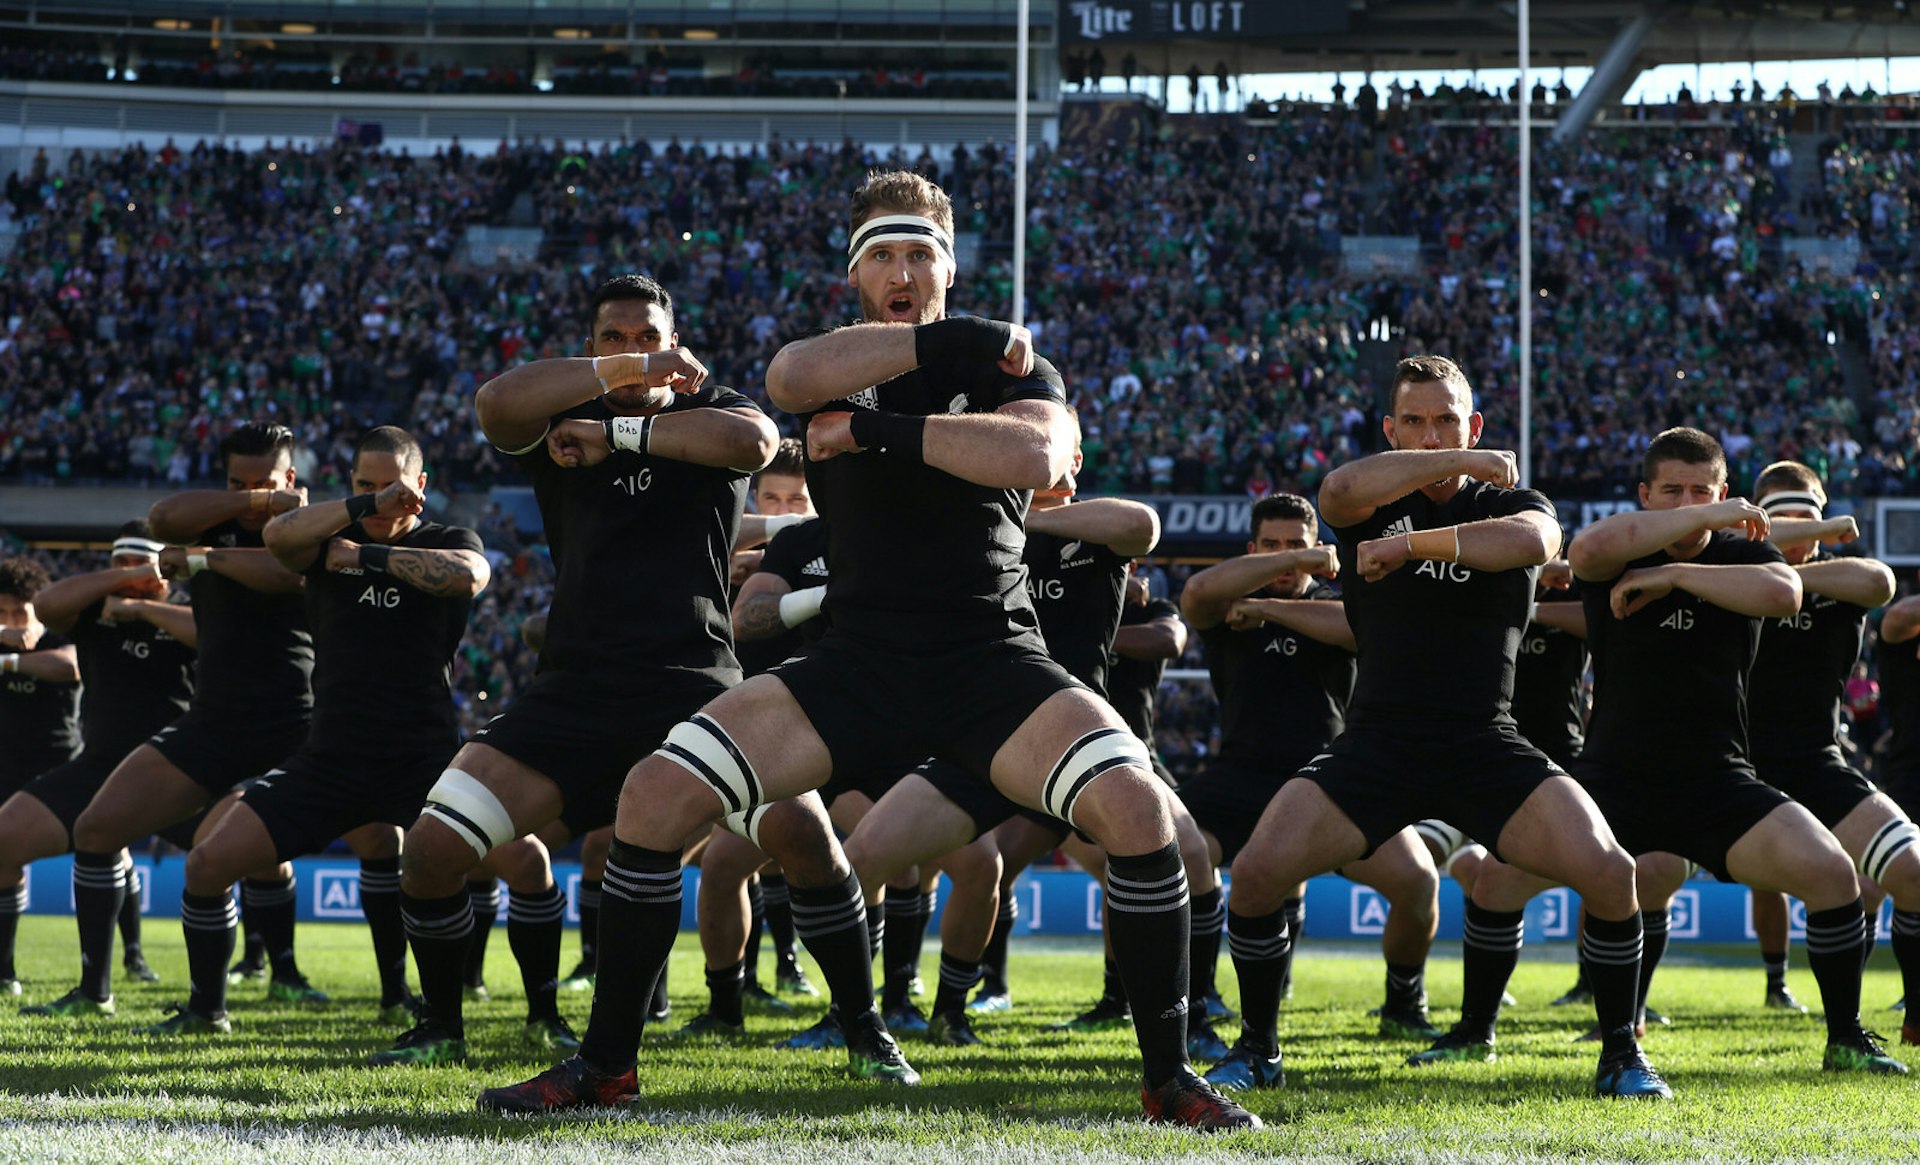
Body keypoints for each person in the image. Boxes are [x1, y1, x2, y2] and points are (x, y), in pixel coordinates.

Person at [480, 170, 1257, 1129]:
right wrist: (947, 350)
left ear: (950, 265)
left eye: (920, 254)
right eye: (882, 255)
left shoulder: (1016, 376)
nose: (902, 270)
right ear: (856, 274)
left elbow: (1036, 459)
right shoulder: (841, 361)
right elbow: (788, 382)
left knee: (1138, 810)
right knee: (654, 794)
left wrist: (882, 428)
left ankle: (1168, 1077)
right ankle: (605, 1065)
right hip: (858, 660)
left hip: (991, 656)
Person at [365, 274, 800, 1071]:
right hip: (575, 686)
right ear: (590, 347)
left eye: (648, 338)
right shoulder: (561, 418)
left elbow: (753, 445)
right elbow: (494, 406)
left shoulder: (717, 407)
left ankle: (865, 1027)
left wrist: (625, 434)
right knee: (427, 852)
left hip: (695, 678)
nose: (633, 351)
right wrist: (607, 391)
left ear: (675, 343)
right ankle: (440, 1029)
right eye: (613, 338)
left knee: (805, 834)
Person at [1208, 356, 1658, 1101]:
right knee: (1255, 877)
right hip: (1376, 741)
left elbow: (1531, 544)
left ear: (1475, 424)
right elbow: (1337, 490)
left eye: (1448, 419)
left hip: (1485, 740)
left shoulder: (1517, 500)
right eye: (1413, 422)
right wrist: (1444, 470)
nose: (1430, 434)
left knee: (1612, 872)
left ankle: (1621, 1054)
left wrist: (1413, 546)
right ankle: (1259, 1048)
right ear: (1390, 430)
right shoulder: (1363, 504)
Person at [1552, 429, 1901, 1075]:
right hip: (1612, 776)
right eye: (1672, 492)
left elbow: (1784, 594)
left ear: (1725, 495)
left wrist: (1677, 572)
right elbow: (1586, 550)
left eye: (1702, 492)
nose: (1687, 504)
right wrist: (1697, 520)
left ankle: (1846, 1037)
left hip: (1718, 779)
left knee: (1831, 876)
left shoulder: (1746, 554)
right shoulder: (1615, 551)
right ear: (1643, 496)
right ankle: (1570, 1042)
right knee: (1494, 880)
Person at [149, 426, 489, 1036]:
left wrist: (367, 557)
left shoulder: (444, 539)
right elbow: (278, 535)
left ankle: (519, 1014)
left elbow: (468, 575)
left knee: (527, 865)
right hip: (329, 759)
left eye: (393, 486)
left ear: (423, 485)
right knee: (206, 865)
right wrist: (365, 512)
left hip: (425, 759)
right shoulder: (324, 538)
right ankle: (207, 1010)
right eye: (364, 485)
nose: (380, 498)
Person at [1177, 492, 1445, 1070]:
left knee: (1419, 882)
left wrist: (1270, 608)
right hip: (1239, 775)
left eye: (1295, 546)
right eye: (1269, 547)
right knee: (1178, 854)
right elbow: (1195, 595)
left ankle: (1402, 1001)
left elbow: (1353, 631)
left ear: (1318, 550)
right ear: (1251, 550)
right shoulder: (1224, 604)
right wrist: (1281, 571)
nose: (1283, 557)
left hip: (1329, 782)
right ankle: (1195, 1013)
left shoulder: (1341, 602)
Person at [67, 422, 324, 1022]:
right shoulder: (217, 513)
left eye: (266, 482)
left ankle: (279, 981)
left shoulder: (313, 528)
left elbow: (287, 573)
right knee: (98, 828)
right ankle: (95, 991)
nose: (252, 493)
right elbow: (161, 520)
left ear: (294, 479)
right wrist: (253, 502)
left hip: (295, 725)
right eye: (238, 482)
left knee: (229, 854)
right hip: (212, 720)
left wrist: (203, 560)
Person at [1746, 461, 1920, 1042]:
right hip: (1726, 765)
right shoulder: (1728, 568)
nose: (1796, 530)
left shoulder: (1840, 579)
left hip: (1817, 760)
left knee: (1912, 872)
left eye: (1807, 519)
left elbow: (1879, 584)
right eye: (1782, 518)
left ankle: (1896, 1021)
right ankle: (1623, 1028)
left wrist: (1790, 577)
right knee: (1643, 873)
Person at [8, 524, 195, 1015]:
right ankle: (93, 991)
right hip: (101, 768)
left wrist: (140, 606)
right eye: (118, 566)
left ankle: (278, 971)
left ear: (165, 573)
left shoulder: (187, 611)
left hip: (179, 772)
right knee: (6, 836)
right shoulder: (92, 613)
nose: (127, 576)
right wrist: (120, 581)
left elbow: (211, 634)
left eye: (140, 567)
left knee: (260, 858)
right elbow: (47, 604)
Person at [0, 556, 82, 993]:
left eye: (19, 611)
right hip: (7, 771)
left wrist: (7, 663)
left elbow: (68, 667)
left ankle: (132, 955)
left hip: (65, 767)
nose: (12, 621)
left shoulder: (61, 635)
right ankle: (4, 970)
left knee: (109, 851)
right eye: (2, 612)